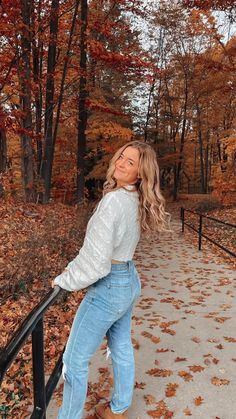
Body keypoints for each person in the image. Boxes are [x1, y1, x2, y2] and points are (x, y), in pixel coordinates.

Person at [52, 140, 171, 419]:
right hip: (127, 280)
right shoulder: (133, 198)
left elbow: (97, 262)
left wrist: (65, 280)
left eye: (130, 162)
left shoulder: (113, 201)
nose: (120, 163)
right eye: (121, 157)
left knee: (74, 360)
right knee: (120, 345)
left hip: (108, 287)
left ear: (140, 174)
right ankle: (118, 409)